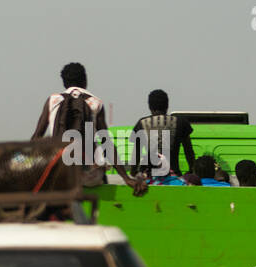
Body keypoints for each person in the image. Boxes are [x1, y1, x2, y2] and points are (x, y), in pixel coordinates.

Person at [31, 62, 145, 194]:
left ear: (64, 83)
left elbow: (36, 137)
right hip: (89, 177)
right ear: (85, 80)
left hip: (59, 176)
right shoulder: (96, 103)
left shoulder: (53, 100)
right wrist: (125, 177)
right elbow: (107, 143)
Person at [129, 89, 195, 185]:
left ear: (149, 106)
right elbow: (188, 151)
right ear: (167, 105)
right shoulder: (181, 122)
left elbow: (136, 154)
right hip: (174, 177)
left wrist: (133, 172)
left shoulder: (141, 123)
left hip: (149, 178)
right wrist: (191, 170)